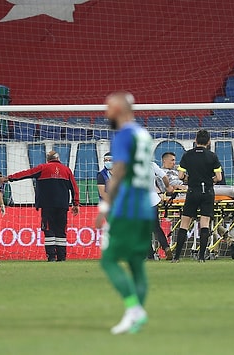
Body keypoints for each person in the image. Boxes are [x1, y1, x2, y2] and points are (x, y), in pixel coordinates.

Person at [94, 91, 154, 334]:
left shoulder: (123, 135)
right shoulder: (143, 134)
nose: (106, 112)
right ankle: (136, 316)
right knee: (135, 264)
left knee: (109, 260)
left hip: (127, 207)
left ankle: (134, 309)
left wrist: (105, 206)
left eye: (109, 107)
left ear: (120, 110)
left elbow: (118, 172)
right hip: (145, 206)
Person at [6, 150, 79, 262]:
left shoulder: (42, 168)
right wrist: (76, 203)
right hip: (62, 206)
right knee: (61, 231)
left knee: (49, 230)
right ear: (58, 159)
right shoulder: (67, 170)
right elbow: (74, 187)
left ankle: (51, 257)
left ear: (48, 159)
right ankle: (62, 257)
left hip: (47, 205)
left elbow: (26, 173)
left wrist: (9, 178)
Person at [172, 129, 223, 262]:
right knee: (204, 223)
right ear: (209, 141)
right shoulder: (212, 156)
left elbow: (181, 176)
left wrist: (191, 178)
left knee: (184, 223)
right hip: (207, 192)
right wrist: (208, 180)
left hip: (192, 191)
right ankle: (201, 257)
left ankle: (177, 257)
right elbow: (219, 177)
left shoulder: (187, 155)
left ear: (195, 140)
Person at [149, 161, 174, 260]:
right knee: (155, 227)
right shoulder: (151, 164)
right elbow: (164, 176)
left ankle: (150, 254)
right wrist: (167, 186)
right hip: (152, 199)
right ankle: (166, 247)